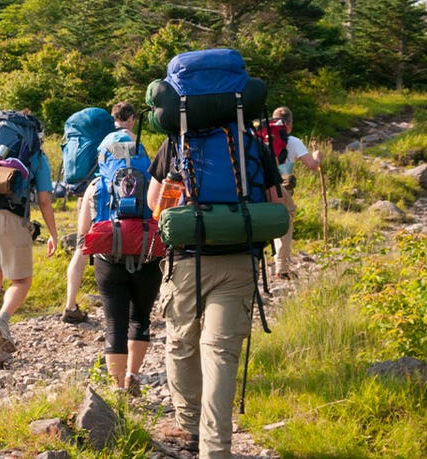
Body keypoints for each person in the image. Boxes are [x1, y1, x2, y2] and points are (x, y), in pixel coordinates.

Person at [148, 134, 285, 458]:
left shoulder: (175, 143)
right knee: (221, 355)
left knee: (182, 344)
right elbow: (278, 207)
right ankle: (216, 449)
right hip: (239, 261)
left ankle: (190, 427)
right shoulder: (250, 142)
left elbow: (155, 208)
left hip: (185, 261)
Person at [75, 123, 162, 395]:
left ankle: (118, 387)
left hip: (108, 259)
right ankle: (133, 375)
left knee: (115, 323)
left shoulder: (96, 185)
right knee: (141, 319)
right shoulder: (152, 182)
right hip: (148, 256)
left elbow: (82, 233)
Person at [0, 111, 59, 360]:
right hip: (9, 216)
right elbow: (43, 200)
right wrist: (53, 233)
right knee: (21, 281)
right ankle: (2, 320)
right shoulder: (36, 156)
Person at [61, 101, 138, 324]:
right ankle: (122, 304)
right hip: (111, 197)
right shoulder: (126, 139)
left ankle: (70, 305)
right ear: (131, 118)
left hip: (87, 192)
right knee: (122, 245)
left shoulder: (101, 137)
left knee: (81, 248)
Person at [268, 106, 323, 280]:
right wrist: (318, 156)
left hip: (258, 186)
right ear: (290, 124)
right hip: (280, 189)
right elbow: (312, 166)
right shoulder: (293, 141)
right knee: (285, 223)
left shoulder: (261, 138)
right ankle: (282, 269)